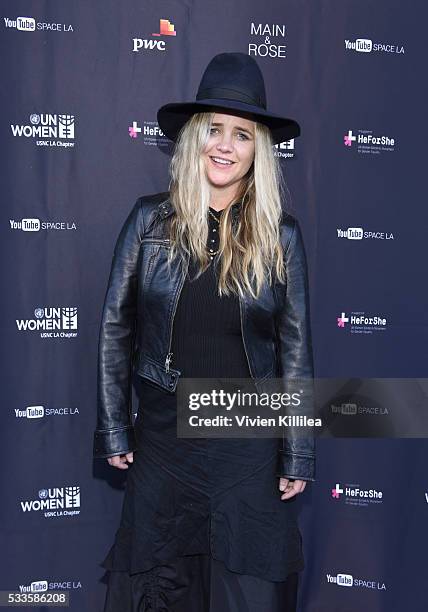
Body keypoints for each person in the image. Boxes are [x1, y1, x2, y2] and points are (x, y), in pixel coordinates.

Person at [93, 52, 315, 612]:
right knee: (159, 589)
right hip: (165, 443)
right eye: (214, 130)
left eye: (242, 135)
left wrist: (298, 452)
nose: (225, 145)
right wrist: (115, 428)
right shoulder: (149, 222)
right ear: (194, 139)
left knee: (249, 594)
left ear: (257, 151)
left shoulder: (281, 237)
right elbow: (115, 329)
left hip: (247, 449)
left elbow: (295, 351)